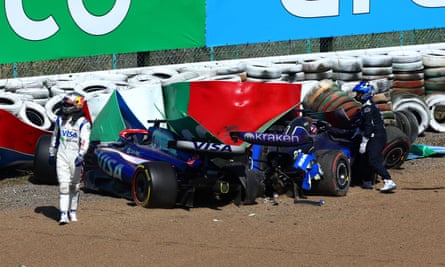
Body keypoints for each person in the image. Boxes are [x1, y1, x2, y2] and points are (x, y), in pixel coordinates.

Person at [49, 92, 91, 224]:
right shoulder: (59, 120)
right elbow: (55, 137)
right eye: (64, 104)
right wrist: (52, 152)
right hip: (62, 156)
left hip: (76, 158)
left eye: (67, 104)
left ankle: (72, 212)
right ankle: (63, 215)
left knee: (75, 186)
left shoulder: (83, 123)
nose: (64, 107)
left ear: (76, 105)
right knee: (63, 186)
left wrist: (81, 154)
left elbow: (85, 140)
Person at [351, 81, 397, 192]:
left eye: (360, 93)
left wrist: (364, 141)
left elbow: (369, 126)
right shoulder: (366, 107)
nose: (357, 96)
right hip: (374, 135)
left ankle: (388, 180)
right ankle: (367, 181)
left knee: (373, 159)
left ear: (366, 93)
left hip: (375, 136)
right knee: (364, 159)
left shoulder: (368, 108)